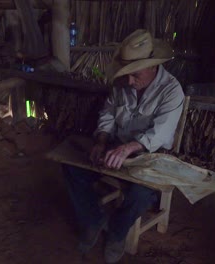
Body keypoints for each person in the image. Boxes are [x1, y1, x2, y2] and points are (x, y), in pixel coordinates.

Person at [63, 29, 184, 263]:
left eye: (135, 75)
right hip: (116, 146)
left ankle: (117, 232)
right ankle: (93, 219)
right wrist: (101, 141)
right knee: (72, 168)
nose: (129, 81)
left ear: (152, 67)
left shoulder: (171, 90)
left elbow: (160, 133)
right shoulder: (123, 83)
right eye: (127, 74)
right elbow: (108, 113)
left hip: (150, 154)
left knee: (141, 195)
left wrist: (127, 149)